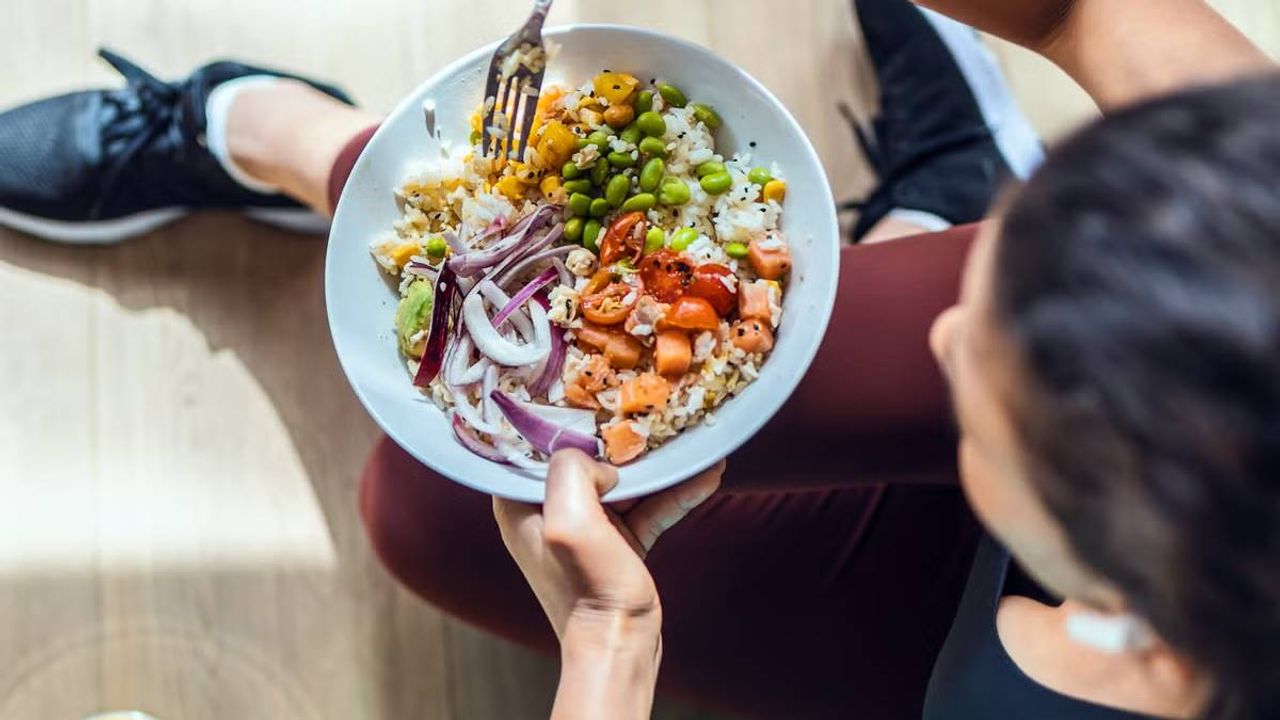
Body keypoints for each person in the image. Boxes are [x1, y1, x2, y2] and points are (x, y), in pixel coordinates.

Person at [1, 2, 1275, 720]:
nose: (943, 333)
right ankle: (278, 135)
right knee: (444, 478)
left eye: (989, 367)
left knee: (415, 515)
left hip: (924, 677)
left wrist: (612, 657)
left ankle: (945, 199)